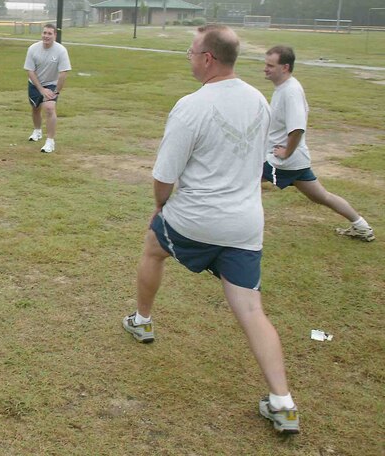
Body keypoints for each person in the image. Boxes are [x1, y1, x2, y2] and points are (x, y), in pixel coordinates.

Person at [121, 26, 300, 434]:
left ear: (208, 59)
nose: (188, 57)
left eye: (191, 52)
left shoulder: (190, 106)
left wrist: (161, 206)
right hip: (245, 224)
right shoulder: (259, 99)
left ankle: (142, 320)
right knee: (252, 309)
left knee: (153, 246)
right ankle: (283, 402)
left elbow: (164, 176)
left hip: (196, 218)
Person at [262, 46, 374, 242]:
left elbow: (297, 128)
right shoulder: (283, 89)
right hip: (295, 161)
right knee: (321, 196)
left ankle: (228, 227)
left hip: (283, 161)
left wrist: (287, 152)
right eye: (266, 64)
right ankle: (362, 226)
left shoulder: (291, 91)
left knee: (243, 181)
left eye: (270, 65)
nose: (265, 69)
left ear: (285, 67)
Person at [23, 24, 71, 153]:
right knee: (35, 108)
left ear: (55, 35)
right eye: (44, 33)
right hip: (35, 83)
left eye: (50, 33)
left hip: (51, 84)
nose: (46, 36)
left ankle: (50, 141)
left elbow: (63, 73)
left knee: (49, 108)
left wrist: (56, 91)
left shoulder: (61, 51)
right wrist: (40, 89)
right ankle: (37, 131)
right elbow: (30, 71)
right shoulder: (33, 48)